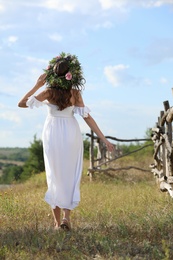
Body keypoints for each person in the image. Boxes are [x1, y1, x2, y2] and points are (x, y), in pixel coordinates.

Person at [18, 52, 114, 231]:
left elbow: (21, 103)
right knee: (70, 174)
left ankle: (56, 223)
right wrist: (104, 139)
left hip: (52, 132)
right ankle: (66, 219)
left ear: (53, 74)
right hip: (71, 133)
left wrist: (36, 85)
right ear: (72, 74)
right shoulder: (75, 93)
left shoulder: (47, 92)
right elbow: (87, 118)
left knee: (54, 175)